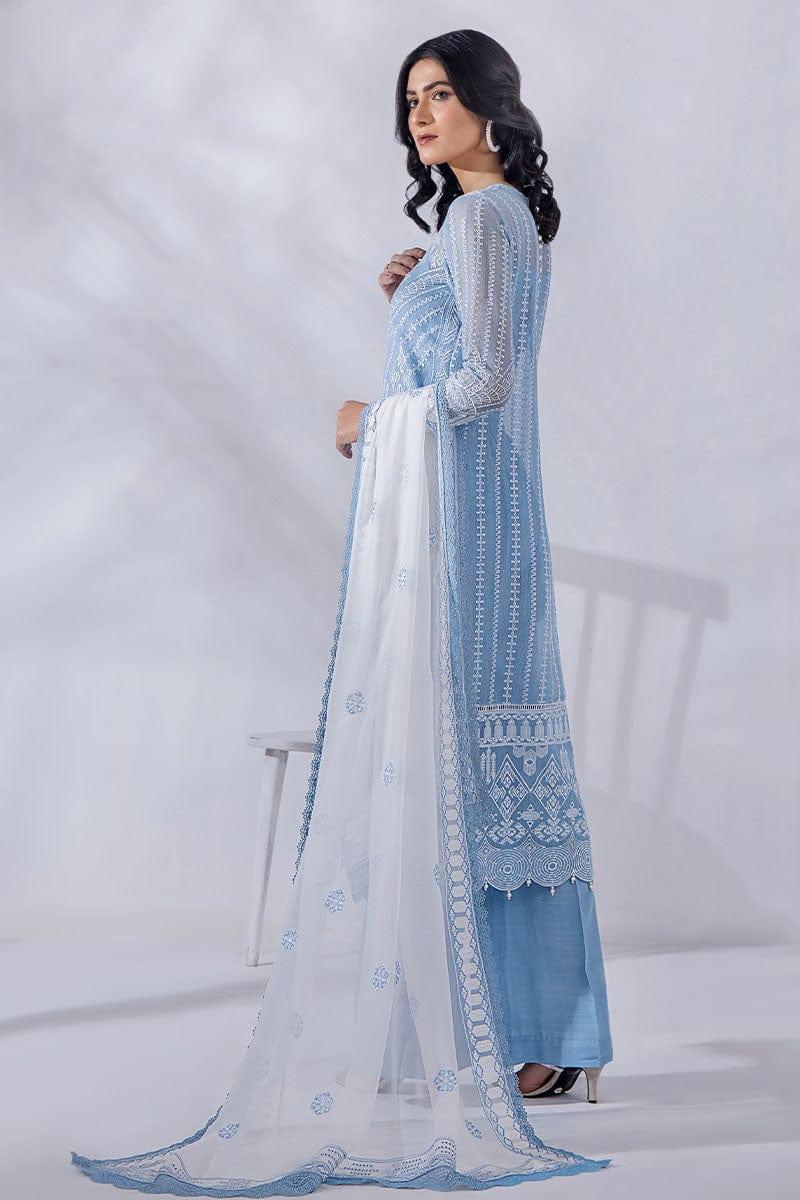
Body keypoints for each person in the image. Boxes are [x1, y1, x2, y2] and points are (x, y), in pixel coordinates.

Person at [71, 28, 612, 1195]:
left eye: (441, 93)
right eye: (409, 97)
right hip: (482, 520)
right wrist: (415, 292)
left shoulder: (484, 219)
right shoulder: (486, 222)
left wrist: (370, 421)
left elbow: (485, 383)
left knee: (465, 770)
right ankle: (532, 1033)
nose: (420, 113)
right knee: (483, 768)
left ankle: (515, 1035)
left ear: (490, 103)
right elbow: (473, 349)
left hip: (465, 531)